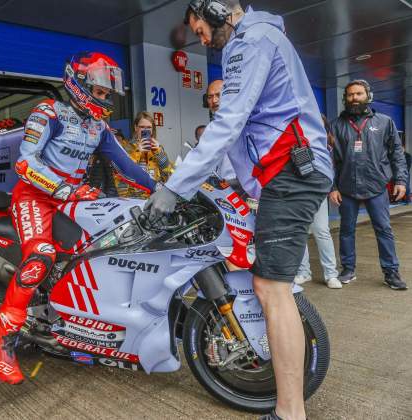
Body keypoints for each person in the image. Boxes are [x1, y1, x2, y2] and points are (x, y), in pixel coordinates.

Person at [144, 2, 334, 419]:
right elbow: (237, 138)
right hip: (281, 174)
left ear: (215, 9)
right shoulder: (240, 47)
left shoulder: (253, 41)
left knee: (271, 287)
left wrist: (173, 188)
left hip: (292, 169)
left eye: (200, 28)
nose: (202, 39)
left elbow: (229, 122)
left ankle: (289, 412)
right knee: (268, 281)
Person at [0, 52, 157, 385]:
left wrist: (165, 189)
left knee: (103, 252)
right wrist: (66, 190)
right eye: (100, 92)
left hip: (74, 200)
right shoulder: (47, 112)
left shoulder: (99, 127)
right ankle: (3, 342)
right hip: (36, 197)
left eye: (108, 94)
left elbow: (128, 167)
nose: (105, 99)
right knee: (41, 257)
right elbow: (25, 164)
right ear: (78, 84)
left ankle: (82, 327)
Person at [329, 80, 408, 290]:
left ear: (368, 96)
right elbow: (330, 160)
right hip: (346, 188)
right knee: (346, 230)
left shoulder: (384, 122)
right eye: (350, 95)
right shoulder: (336, 126)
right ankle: (348, 269)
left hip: (377, 186)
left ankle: (391, 272)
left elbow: (397, 154)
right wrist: (332, 187)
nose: (354, 98)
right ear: (345, 98)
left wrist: (400, 180)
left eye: (359, 94)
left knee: (384, 229)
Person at [295, 115, 341, 289]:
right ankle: (304, 272)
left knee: (321, 231)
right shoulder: (297, 140)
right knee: (300, 234)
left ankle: (331, 274)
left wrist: (331, 188)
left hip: (318, 193)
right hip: (297, 193)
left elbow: (330, 170)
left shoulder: (328, 145)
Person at [110, 111, 174, 198]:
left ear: (152, 129)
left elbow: (167, 175)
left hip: (154, 197)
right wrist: (137, 152)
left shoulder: (158, 149)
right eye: (142, 127)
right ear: (136, 128)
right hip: (131, 199)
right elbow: (120, 173)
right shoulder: (126, 148)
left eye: (149, 127)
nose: (145, 130)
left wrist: (159, 152)